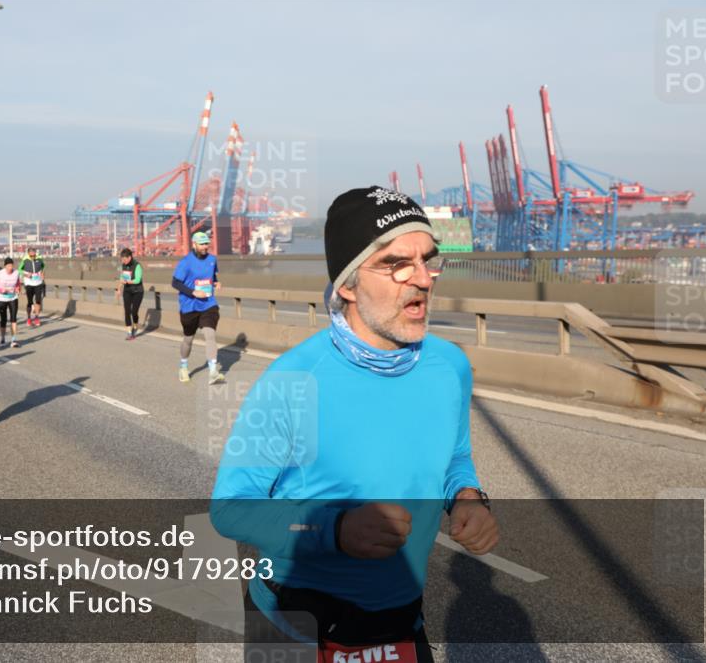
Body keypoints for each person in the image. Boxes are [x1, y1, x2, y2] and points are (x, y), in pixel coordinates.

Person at [210, 187, 498, 662]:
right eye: (396, 264)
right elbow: (231, 509)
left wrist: (466, 497)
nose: (422, 279)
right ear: (347, 285)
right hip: (292, 622)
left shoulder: (450, 366)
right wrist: (336, 530)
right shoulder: (292, 379)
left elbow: (454, 455)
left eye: (428, 260)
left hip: (399, 620)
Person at [172, 231, 224, 384]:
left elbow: (212, 276)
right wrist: (193, 292)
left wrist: (216, 282)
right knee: (188, 340)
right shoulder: (186, 262)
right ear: (194, 244)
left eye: (206, 243)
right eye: (201, 244)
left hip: (208, 304)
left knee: (210, 335)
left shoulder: (212, 260)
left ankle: (213, 371)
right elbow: (175, 282)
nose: (205, 246)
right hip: (189, 306)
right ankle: (183, 366)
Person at [0, 257, 21, 348]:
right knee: (3, 319)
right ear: (5, 266)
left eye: (11, 265)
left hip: (13, 298)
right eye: (8, 266)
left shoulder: (16, 273)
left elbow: (18, 283)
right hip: (1, 299)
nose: (10, 267)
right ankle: (3, 339)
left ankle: (13, 340)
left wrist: (18, 288)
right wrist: (0, 290)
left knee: (13, 319)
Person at [115, 247, 144, 340]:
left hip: (137, 291)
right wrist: (119, 289)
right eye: (122, 259)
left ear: (129, 257)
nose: (123, 261)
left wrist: (128, 282)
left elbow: (137, 280)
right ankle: (129, 333)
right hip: (127, 291)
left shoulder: (137, 266)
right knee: (127, 311)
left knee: (134, 312)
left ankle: (135, 325)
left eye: (124, 259)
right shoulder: (124, 265)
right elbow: (122, 278)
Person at [19, 247, 45, 327]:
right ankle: (29, 318)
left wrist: (42, 273)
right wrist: (26, 274)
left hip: (38, 282)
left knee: (38, 300)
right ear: (28, 254)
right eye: (31, 255)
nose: (33, 256)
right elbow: (19, 270)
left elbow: (43, 267)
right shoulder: (25, 260)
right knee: (30, 301)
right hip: (29, 283)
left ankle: (37, 317)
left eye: (34, 255)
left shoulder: (39, 259)